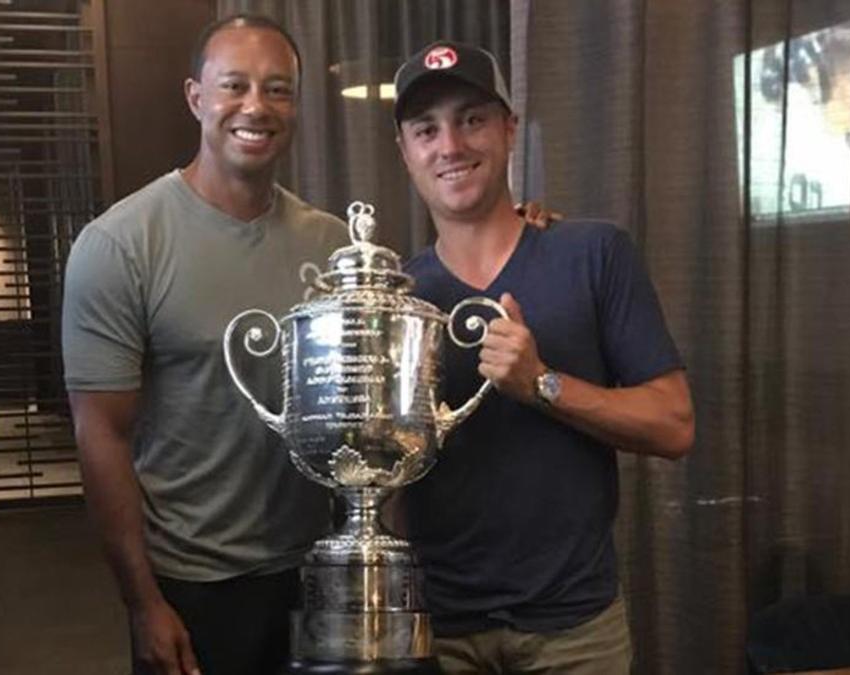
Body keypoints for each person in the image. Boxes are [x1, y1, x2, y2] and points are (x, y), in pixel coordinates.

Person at [391, 41, 696, 673]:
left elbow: (675, 426)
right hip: (438, 631)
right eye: (427, 129)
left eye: (472, 119)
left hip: (575, 630)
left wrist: (542, 383)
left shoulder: (593, 253)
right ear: (406, 152)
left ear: (508, 129)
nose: (450, 145)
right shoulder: (398, 299)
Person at [61, 14, 347, 675]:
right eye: (235, 85)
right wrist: (142, 602)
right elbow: (100, 433)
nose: (256, 107)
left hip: (313, 573)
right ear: (196, 98)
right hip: (191, 584)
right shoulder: (120, 244)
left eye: (277, 89)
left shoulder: (332, 245)